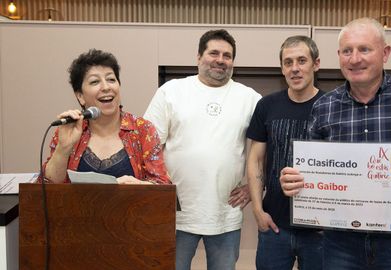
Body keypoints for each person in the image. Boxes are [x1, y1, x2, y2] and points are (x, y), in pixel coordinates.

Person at [280, 18, 391, 270]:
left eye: (364, 49)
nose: (354, 59)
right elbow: (306, 170)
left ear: (385, 53)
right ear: (339, 56)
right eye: (347, 51)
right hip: (340, 244)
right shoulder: (324, 107)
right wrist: (292, 180)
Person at [144, 29, 261, 270]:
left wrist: (254, 187)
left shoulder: (250, 98)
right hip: (174, 212)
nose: (220, 59)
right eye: (213, 53)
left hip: (225, 213)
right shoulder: (171, 91)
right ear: (198, 57)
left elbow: (268, 146)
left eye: (227, 55)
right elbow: (148, 146)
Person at [246, 35, 324, 270]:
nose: (295, 69)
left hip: (320, 231)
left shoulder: (332, 106)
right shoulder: (266, 106)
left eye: (302, 61)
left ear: (316, 64)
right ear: (282, 68)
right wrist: (258, 211)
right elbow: (255, 160)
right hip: (274, 225)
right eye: (288, 62)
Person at [41, 49, 170, 185]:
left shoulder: (143, 129)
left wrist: (140, 186)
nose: (106, 87)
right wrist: (63, 148)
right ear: (80, 96)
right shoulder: (69, 129)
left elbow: (163, 186)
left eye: (111, 79)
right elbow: (48, 186)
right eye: (95, 82)